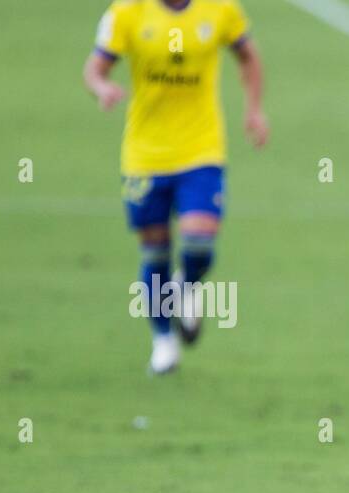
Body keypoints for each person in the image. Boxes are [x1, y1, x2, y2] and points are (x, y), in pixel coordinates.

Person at [84, 0, 268, 374]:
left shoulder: (220, 10)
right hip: (144, 155)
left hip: (201, 150)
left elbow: (248, 56)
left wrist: (254, 109)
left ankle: (185, 286)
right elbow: (95, 67)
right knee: (155, 253)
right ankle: (163, 341)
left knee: (199, 243)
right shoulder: (127, 12)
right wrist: (102, 88)